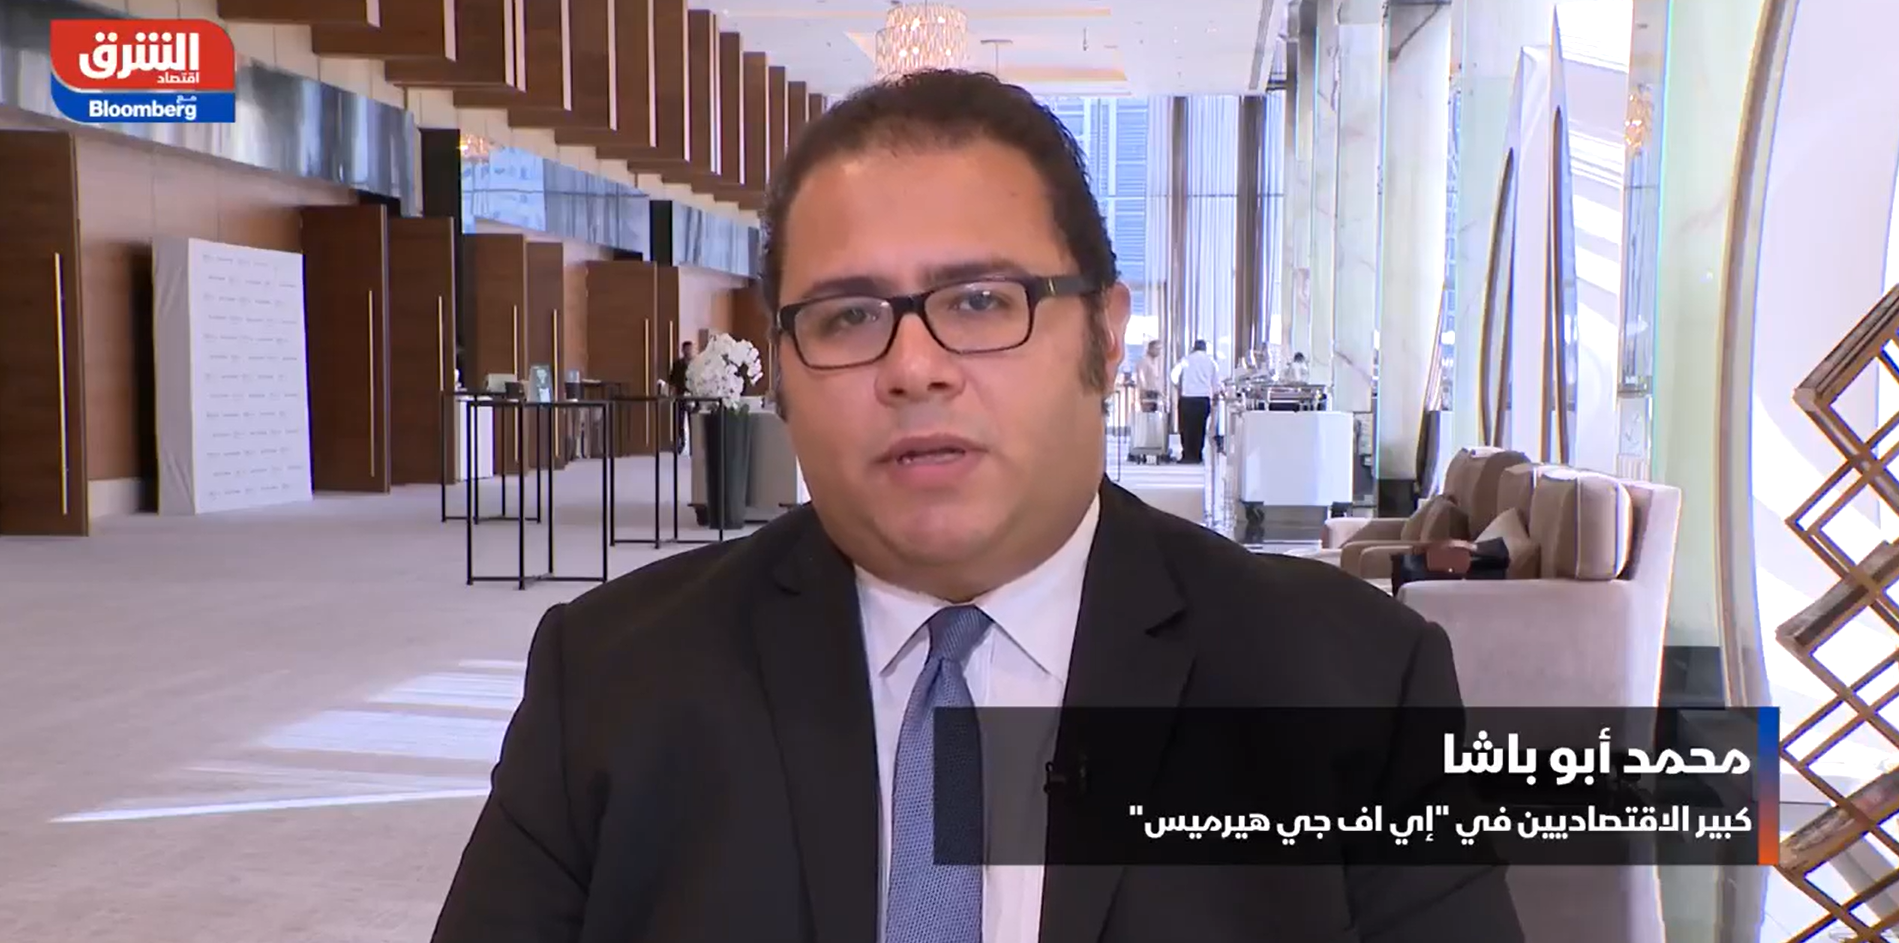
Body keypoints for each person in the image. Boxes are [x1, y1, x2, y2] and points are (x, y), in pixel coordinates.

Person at [430, 69, 1521, 943]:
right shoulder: (610, 677)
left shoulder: (1352, 684)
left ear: (1104, 336)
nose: (914, 367)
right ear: (784, 369)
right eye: (849, 317)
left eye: (982, 301)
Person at [1170, 339, 1221, 463]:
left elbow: (1173, 376)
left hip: (1187, 398)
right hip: (1203, 399)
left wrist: (1179, 386)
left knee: (1186, 428)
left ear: (1194, 348)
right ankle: (1197, 455)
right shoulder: (1211, 362)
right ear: (1205, 349)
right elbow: (1216, 384)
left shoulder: (1186, 360)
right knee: (1199, 428)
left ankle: (1187, 455)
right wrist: (1215, 396)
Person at [667, 340, 694, 453]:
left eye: (690, 349)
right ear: (682, 350)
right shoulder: (677, 364)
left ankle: (693, 446)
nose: (688, 351)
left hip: (693, 397)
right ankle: (680, 443)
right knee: (679, 422)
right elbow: (672, 381)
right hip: (680, 395)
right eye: (686, 349)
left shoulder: (696, 363)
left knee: (693, 422)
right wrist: (671, 393)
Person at [1133, 339, 1165, 413]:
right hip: (1147, 392)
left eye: (1159, 349)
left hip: (1154, 392)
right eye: (1157, 349)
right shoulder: (1144, 361)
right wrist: (1143, 392)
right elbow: (1141, 377)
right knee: (1148, 414)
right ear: (1151, 349)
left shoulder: (1155, 362)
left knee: (1154, 414)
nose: (1158, 352)